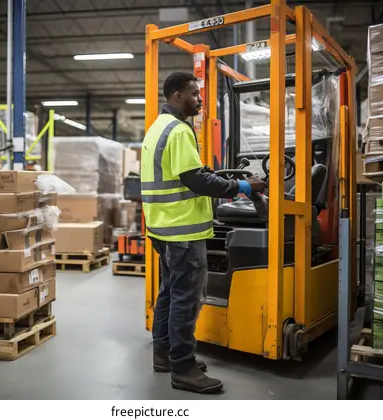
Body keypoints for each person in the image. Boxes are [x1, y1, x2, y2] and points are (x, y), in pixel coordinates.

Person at [140, 71, 266, 394]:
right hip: (183, 231)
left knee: (169, 292)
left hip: (162, 229)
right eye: (195, 94)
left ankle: (164, 354)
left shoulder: (156, 129)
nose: (199, 99)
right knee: (186, 298)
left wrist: (212, 174)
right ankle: (183, 368)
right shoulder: (180, 131)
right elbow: (195, 180)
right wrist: (242, 186)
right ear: (177, 96)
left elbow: (186, 174)